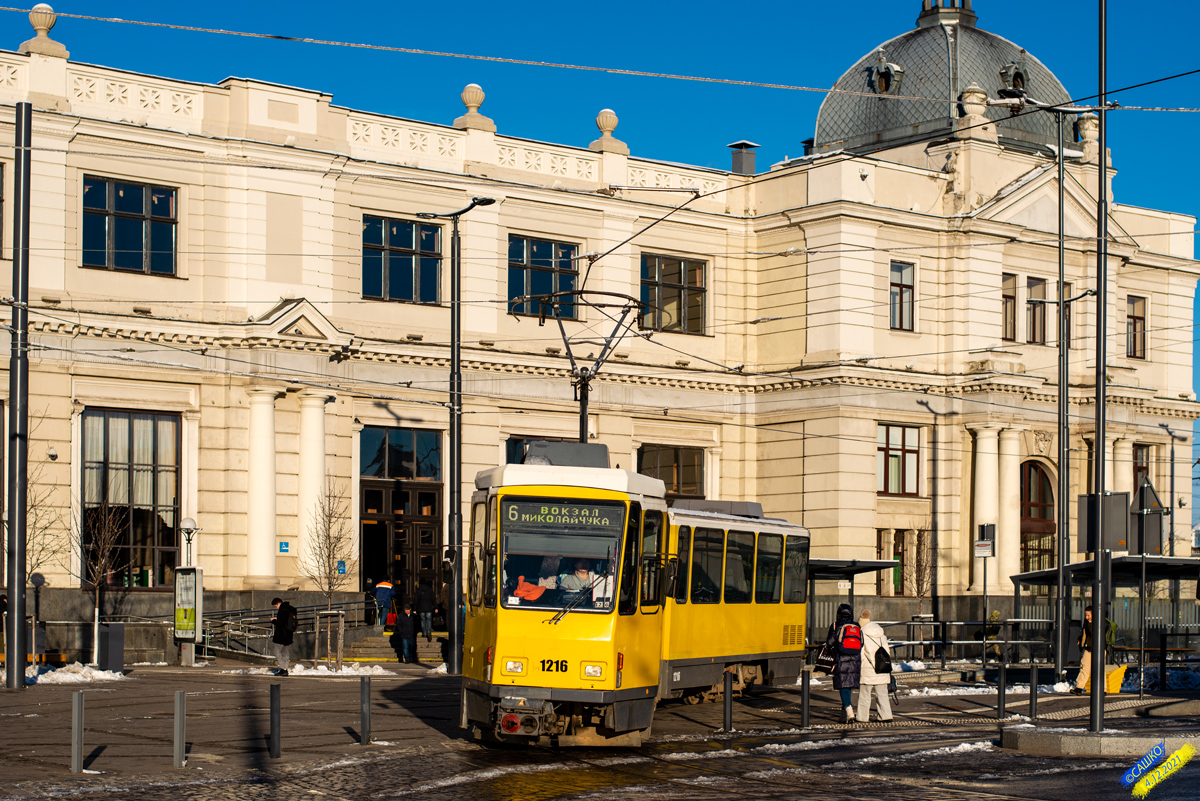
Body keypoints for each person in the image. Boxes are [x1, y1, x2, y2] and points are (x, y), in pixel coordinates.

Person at [826, 602, 863, 722]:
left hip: (841, 659)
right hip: (855, 659)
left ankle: (850, 711)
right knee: (848, 686)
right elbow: (861, 643)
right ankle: (844, 716)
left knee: (843, 686)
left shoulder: (836, 625)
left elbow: (830, 643)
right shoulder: (856, 625)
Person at [856, 609, 893, 723]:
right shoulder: (881, 634)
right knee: (882, 694)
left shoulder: (862, 634)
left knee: (864, 695)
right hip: (882, 668)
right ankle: (885, 715)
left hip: (867, 669)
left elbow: (861, 654)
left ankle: (862, 717)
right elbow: (887, 651)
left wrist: (858, 667)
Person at [1072, 604, 1117, 695]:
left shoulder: (1100, 622)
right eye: (1086, 615)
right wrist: (1080, 640)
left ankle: (1102, 689)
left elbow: (1096, 634)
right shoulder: (1087, 622)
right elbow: (1086, 634)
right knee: (1084, 667)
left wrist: (1091, 623)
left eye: (1089, 615)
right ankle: (1079, 687)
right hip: (1088, 648)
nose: (1087, 617)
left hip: (1099, 649)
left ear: (1094, 614)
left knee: (1099, 668)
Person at [270, 597, 297, 676]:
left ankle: (284, 668)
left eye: (276, 606)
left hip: (282, 634)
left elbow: (281, 623)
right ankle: (284, 669)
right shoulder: (290, 609)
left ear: (278, 604)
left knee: (277, 651)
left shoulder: (283, 610)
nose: (276, 608)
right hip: (289, 634)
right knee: (285, 652)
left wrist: (274, 621)